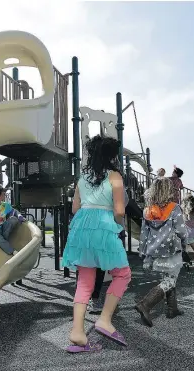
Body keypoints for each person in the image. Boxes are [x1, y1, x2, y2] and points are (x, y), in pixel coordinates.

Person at [62, 135, 131, 354]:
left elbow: (74, 209)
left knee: (84, 281)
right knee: (122, 274)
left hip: (82, 226)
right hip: (104, 225)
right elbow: (120, 211)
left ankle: (77, 333)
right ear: (112, 156)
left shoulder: (83, 177)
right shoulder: (115, 176)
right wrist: (116, 225)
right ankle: (104, 320)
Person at [135, 178, 187, 327]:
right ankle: (145, 304)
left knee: (169, 277)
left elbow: (144, 234)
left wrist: (143, 252)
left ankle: (172, 308)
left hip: (155, 251)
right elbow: (181, 230)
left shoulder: (147, 211)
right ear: (168, 190)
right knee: (169, 280)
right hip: (171, 249)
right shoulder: (174, 208)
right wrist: (185, 241)